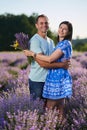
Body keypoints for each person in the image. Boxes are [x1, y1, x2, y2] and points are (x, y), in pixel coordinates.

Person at [24, 20, 73, 118]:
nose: (61, 30)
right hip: (55, 78)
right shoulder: (59, 43)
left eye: (65, 29)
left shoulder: (64, 43)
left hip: (57, 79)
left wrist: (32, 54)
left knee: (49, 108)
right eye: (60, 27)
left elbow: (50, 59)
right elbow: (46, 62)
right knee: (59, 108)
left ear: (68, 32)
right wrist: (61, 64)